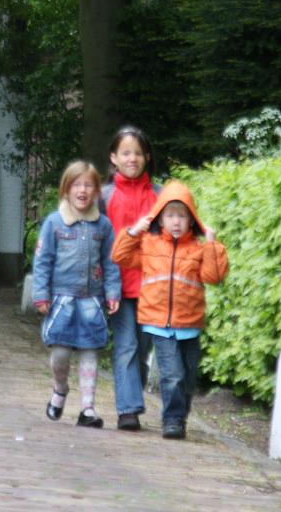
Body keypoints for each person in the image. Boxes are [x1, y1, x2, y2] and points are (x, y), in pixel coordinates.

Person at [111, 181, 229, 440]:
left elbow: (214, 276)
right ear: (160, 219)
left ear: (192, 220)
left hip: (190, 325)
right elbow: (120, 256)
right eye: (170, 215)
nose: (176, 222)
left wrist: (212, 245)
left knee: (187, 379)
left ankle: (179, 418)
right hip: (159, 325)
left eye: (182, 216)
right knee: (172, 375)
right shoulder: (149, 245)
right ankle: (172, 420)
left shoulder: (198, 249)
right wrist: (133, 232)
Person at [32, 161, 122, 428]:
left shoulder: (103, 226)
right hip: (62, 301)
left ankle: (88, 409)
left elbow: (110, 262)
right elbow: (43, 261)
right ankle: (60, 390)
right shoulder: (54, 223)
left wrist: (112, 293)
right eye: (76, 185)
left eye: (88, 185)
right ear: (66, 189)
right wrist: (41, 294)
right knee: (60, 352)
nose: (82, 190)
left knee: (89, 353)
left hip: (92, 301)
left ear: (96, 191)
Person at [99, 126, 161, 432]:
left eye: (138, 153)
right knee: (126, 345)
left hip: (152, 286)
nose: (132, 158)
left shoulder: (161, 195)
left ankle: (131, 402)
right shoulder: (104, 196)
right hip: (118, 285)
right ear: (114, 157)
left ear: (147, 157)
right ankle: (128, 411)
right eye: (126, 153)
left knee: (142, 348)